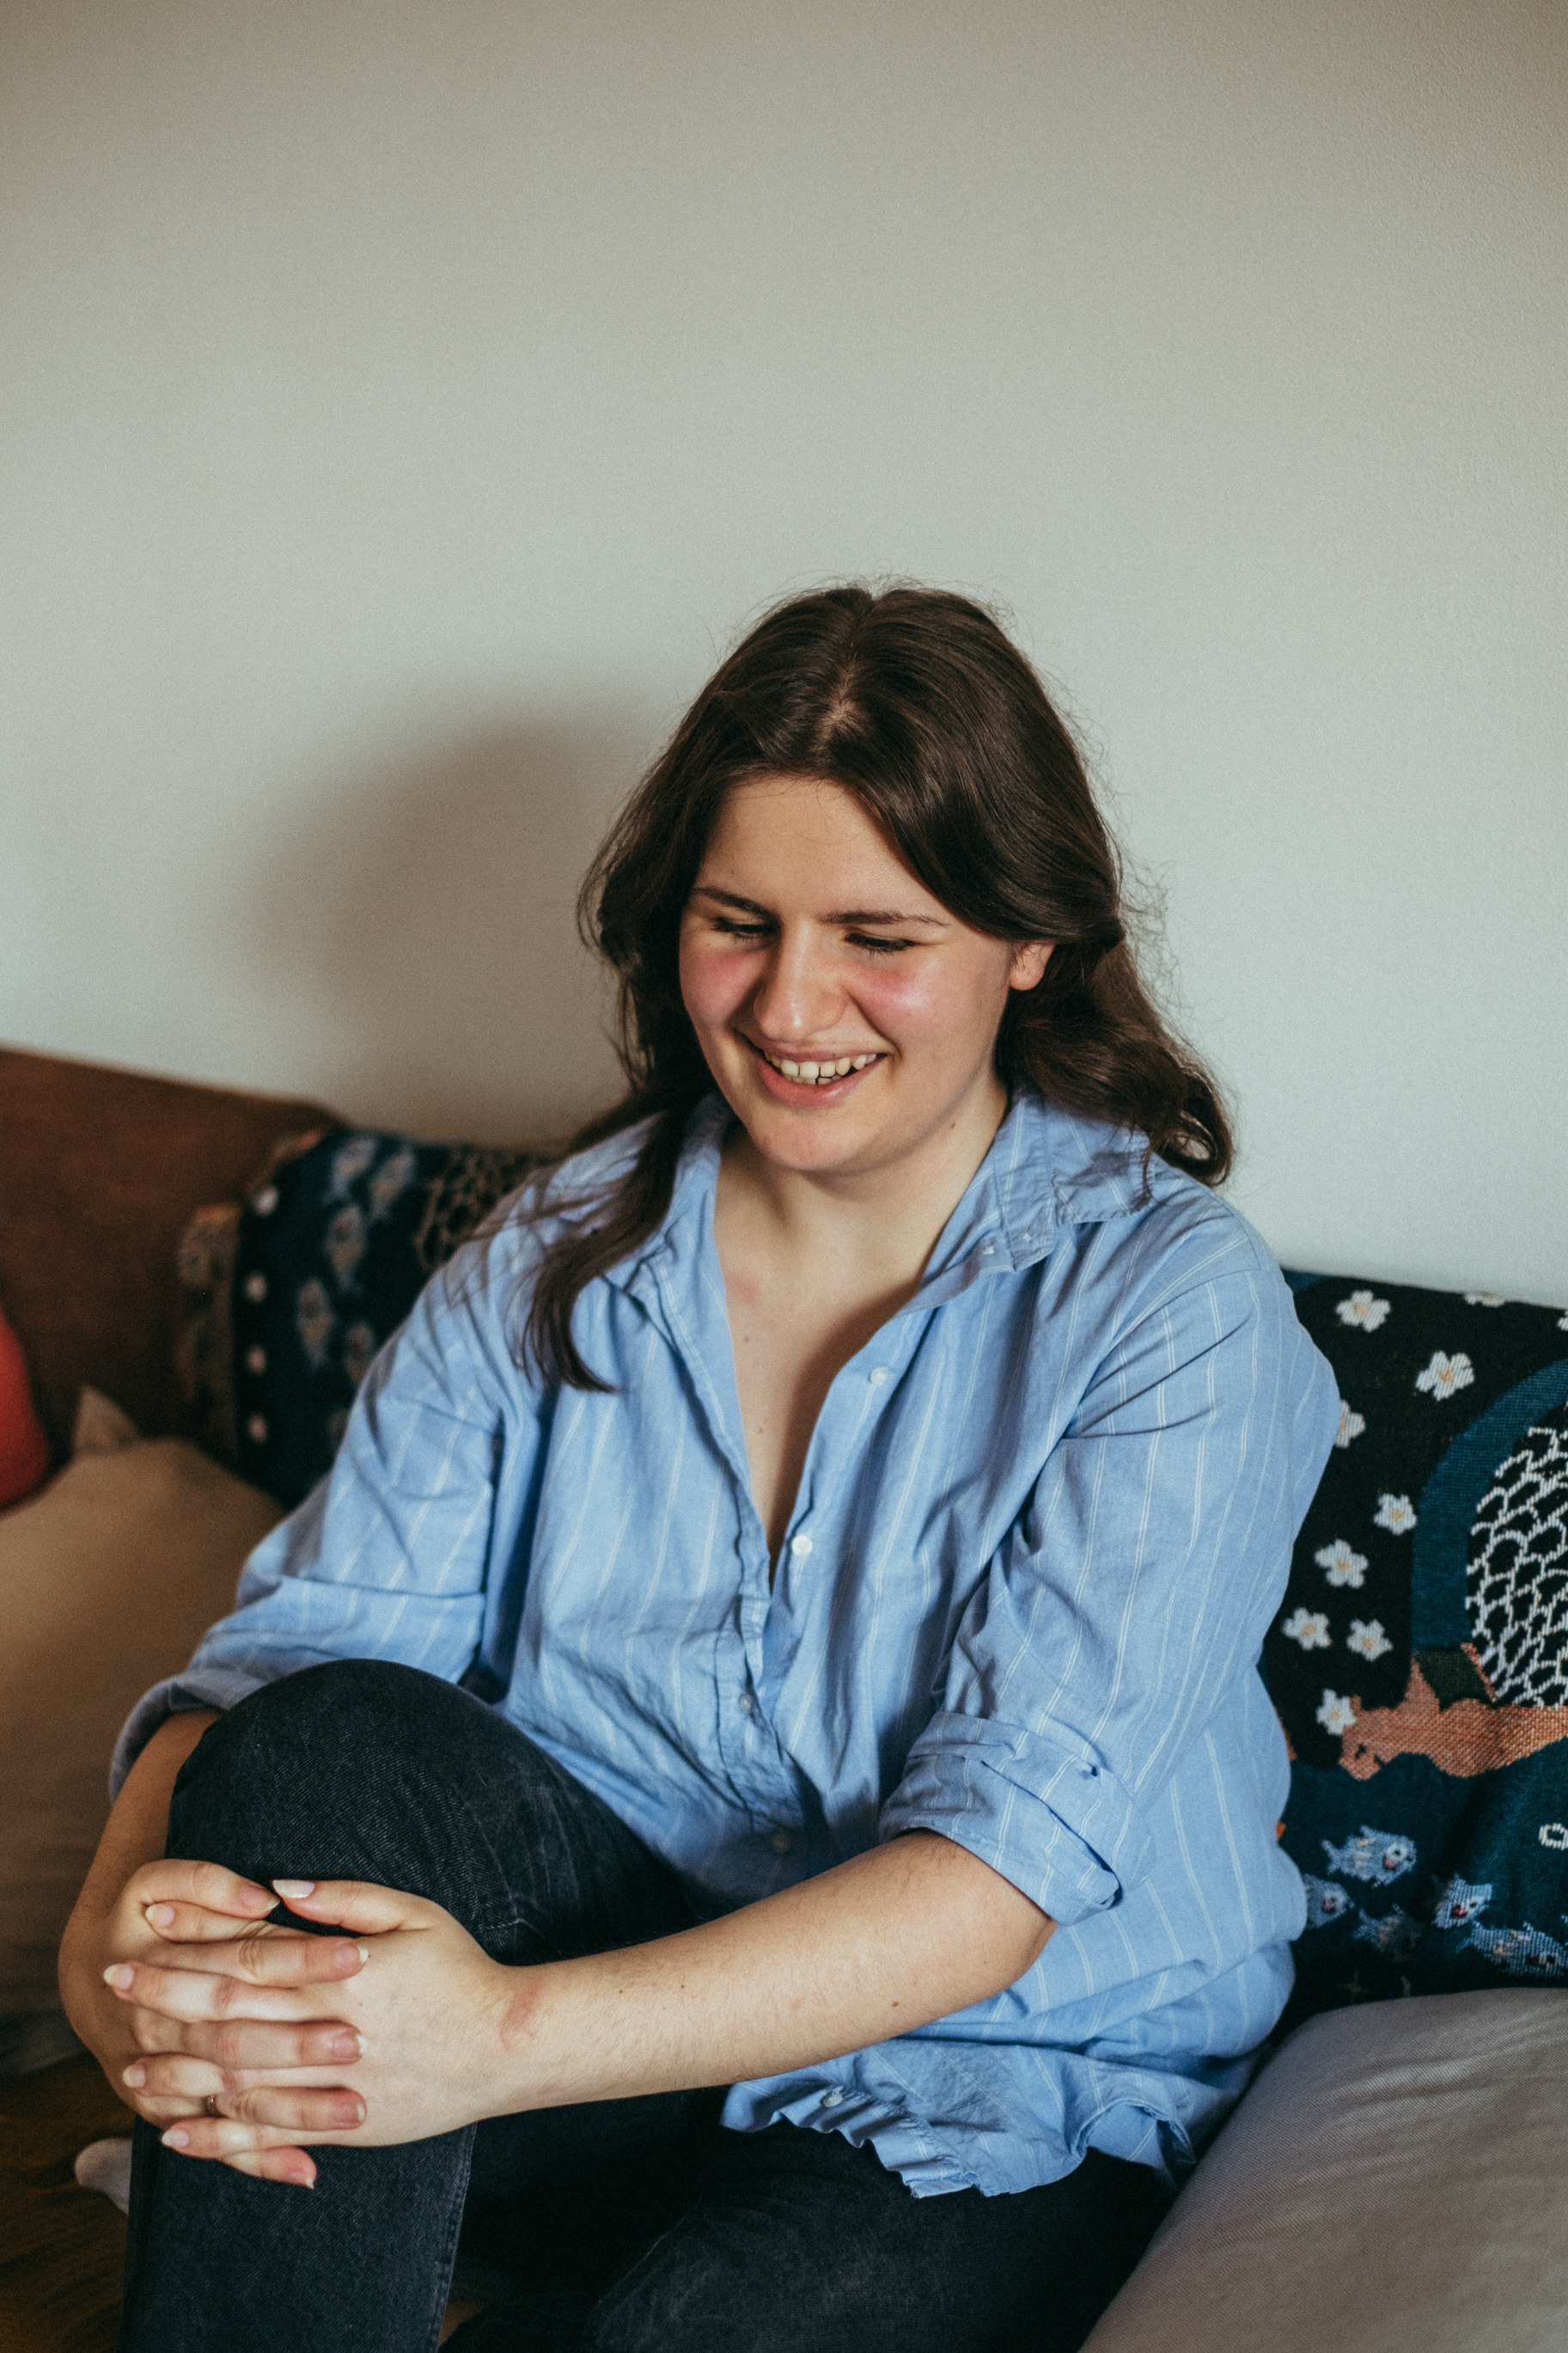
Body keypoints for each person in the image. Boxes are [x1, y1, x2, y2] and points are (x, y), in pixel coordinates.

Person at [60, 584, 1338, 2353]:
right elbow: (291, 1664)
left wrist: (489, 2039)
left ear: (1030, 940)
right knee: (315, 1744)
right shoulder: (549, 1250)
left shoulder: (1170, 1305)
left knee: (698, 2325)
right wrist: (102, 1945)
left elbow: (993, 1880)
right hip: (596, 2057)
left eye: (876, 935)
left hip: (987, 2085)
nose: (792, 1004)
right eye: (739, 923)